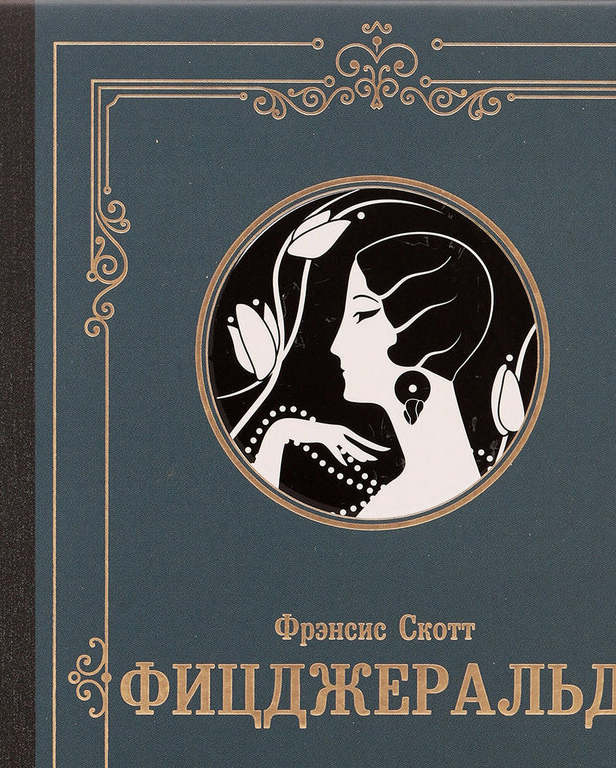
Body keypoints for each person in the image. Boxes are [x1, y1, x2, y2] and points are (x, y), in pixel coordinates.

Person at [223, 190, 537, 522]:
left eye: (361, 314)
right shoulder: (437, 486)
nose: (335, 344)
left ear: (423, 334)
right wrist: (281, 433)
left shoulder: (409, 499)